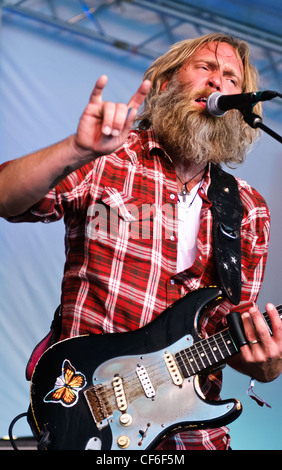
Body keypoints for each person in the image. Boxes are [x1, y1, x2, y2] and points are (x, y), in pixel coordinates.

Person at [1, 32, 282, 450]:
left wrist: (268, 363)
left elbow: (233, 329)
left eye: (231, 78)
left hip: (192, 437)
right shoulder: (107, 160)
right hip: (90, 415)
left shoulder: (249, 210)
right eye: (205, 68)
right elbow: (7, 198)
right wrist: (75, 150)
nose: (217, 83)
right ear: (167, 83)